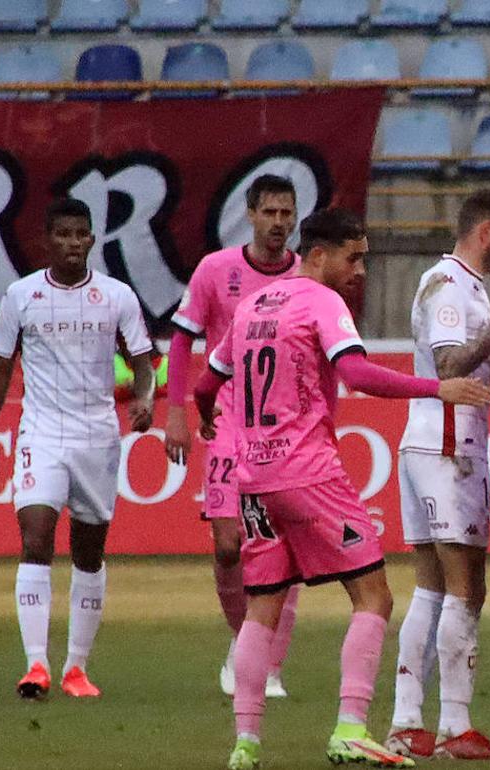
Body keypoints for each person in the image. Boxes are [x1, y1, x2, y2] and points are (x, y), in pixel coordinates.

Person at [194, 208, 490, 770]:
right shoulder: (322, 302)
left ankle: (245, 743)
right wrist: (438, 387)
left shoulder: (253, 305)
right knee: (374, 596)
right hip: (308, 472)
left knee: (263, 608)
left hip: (253, 480)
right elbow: (356, 375)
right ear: (319, 254)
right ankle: (351, 728)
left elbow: (207, 382)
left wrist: (211, 417)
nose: (359, 270)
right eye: (353, 257)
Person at [0, 198, 155, 699]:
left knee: (88, 553)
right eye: (64, 235)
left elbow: (142, 358)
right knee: (35, 537)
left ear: (92, 240)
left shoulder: (116, 296)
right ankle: (36, 666)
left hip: (97, 435)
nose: (73, 243)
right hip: (42, 432)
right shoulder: (21, 295)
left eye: (82, 235)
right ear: (48, 240)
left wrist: (144, 398)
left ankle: (77, 668)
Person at [390, 189, 490, 760]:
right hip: (447, 446)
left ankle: (406, 720)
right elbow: (449, 366)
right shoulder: (450, 284)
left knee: (430, 587)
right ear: (487, 230)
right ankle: (453, 725)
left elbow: (478, 368)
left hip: (427, 442)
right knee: (466, 587)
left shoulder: (455, 283)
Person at [164, 174, 303, 697]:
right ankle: (245, 642)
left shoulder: (307, 278)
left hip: (285, 430)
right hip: (223, 421)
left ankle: (263, 662)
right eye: (269, 212)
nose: (278, 223)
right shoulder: (216, 270)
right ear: (250, 214)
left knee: (281, 544)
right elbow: (182, 341)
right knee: (228, 546)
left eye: (286, 214)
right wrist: (176, 412)